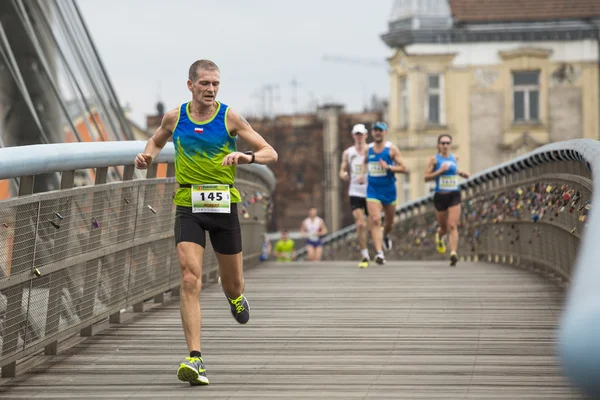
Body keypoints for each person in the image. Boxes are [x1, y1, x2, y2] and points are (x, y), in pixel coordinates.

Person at [134, 59, 277, 386]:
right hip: (188, 205)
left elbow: (271, 153)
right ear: (190, 85)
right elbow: (156, 141)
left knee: (233, 283)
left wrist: (247, 156)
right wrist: (147, 156)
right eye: (205, 84)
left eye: (215, 84)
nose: (211, 90)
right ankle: (195, 358)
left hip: (224, 206)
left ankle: (236, 297)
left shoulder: (230, 117)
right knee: (189, 277)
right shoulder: (175, 117)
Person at [358, 122, 409, 265]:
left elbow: (404, 168)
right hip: (373, 190)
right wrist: (362, 175)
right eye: (375, 130)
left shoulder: (391, 150)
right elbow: (365, 162)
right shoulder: (369, 149)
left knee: (389, 222)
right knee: (375, 219)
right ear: (372, 133)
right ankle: (379, 253)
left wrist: (389, 167)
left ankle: (385, 235)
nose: (377, 133)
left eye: (380, 130)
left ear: (385, 132)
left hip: (389, 190)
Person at [424, 134, 469, 266]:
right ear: (438, 145)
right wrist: (439, 171)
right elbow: (426, 177)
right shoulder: (434, 160)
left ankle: (453, 253)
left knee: (452, 225)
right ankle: (440, 235)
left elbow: (453, 171)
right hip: (440, 196)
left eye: (448, 143)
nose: (445, 145)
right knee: (444, 228)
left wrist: (461, 173)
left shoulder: (454, 157)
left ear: (450, 145)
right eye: (442, 143)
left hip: (454, 194)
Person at [339, 123, 371, 268]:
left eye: (361, 134)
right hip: (355, 191)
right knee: (360, 223)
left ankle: (378, 245)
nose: (359, 137)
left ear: (366, 135)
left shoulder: (371, 150)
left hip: (371, 191)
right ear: (353, 136)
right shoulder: (348, 153)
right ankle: (365, 254)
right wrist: (343, 174)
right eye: (356, 134)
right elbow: (342, 169)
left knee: (373, 223)